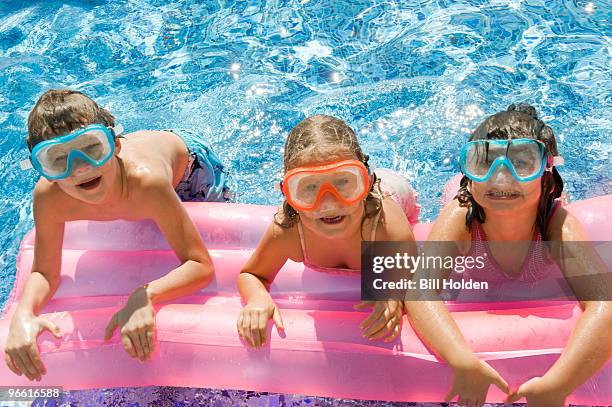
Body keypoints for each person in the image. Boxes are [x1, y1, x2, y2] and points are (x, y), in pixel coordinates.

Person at [4, 89, 231, 381]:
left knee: (220, 231)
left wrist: (145, 296)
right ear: (41, 168)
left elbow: (200, 264)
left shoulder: (147, 184)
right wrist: (23, 313)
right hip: (140, 160)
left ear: (115, 145)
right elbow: (45, 272)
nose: (80, 168)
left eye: (91, 148)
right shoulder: (49, 197)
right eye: (58, 159)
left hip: (190, 167)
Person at [405, 104, 611, 406]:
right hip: (463, 197)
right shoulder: (462, 219)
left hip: (540, 204)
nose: (501, 178)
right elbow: (419, 293)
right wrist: (462, 361)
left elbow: (605, 305)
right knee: (453, 193)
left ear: (545, 175)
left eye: (522, 164)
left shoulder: (555, 225)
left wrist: (558, 385)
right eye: (484, 163)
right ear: (471, 173)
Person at [237, 114, 419, 348]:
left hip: (395, 191)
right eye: (309, 187)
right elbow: (252, 275)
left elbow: (417, 275)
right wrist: (257, 297)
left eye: (344, 182)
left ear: (368, 181)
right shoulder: (289, 233)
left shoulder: (385, 225)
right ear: (288, 195)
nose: (329, 203)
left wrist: (394, 294)